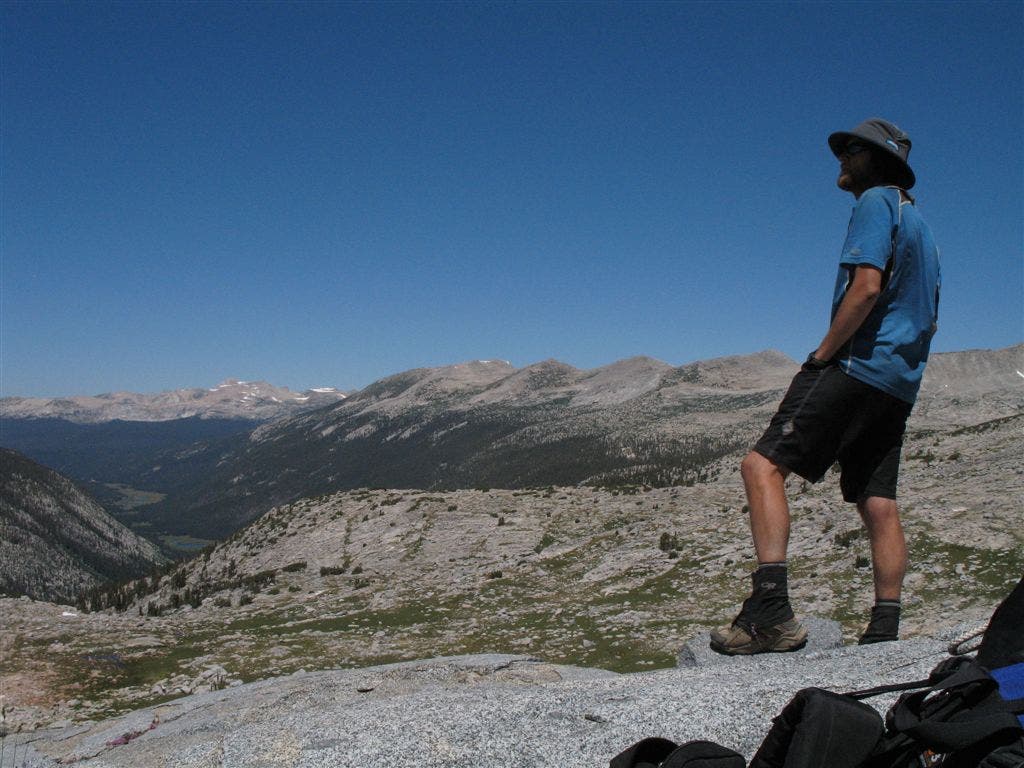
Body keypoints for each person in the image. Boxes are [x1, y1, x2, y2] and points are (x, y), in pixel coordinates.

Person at [710, 118, 942, 655]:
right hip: (898, 384)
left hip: (857, 365)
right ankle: (884, 629)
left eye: (852, 151)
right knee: (877, 499)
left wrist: (821, 356)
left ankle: (770, 614)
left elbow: (864, 288)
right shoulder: (922, 226)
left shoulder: (875, 203)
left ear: (877, 161)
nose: (841, 157)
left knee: (761, 466)